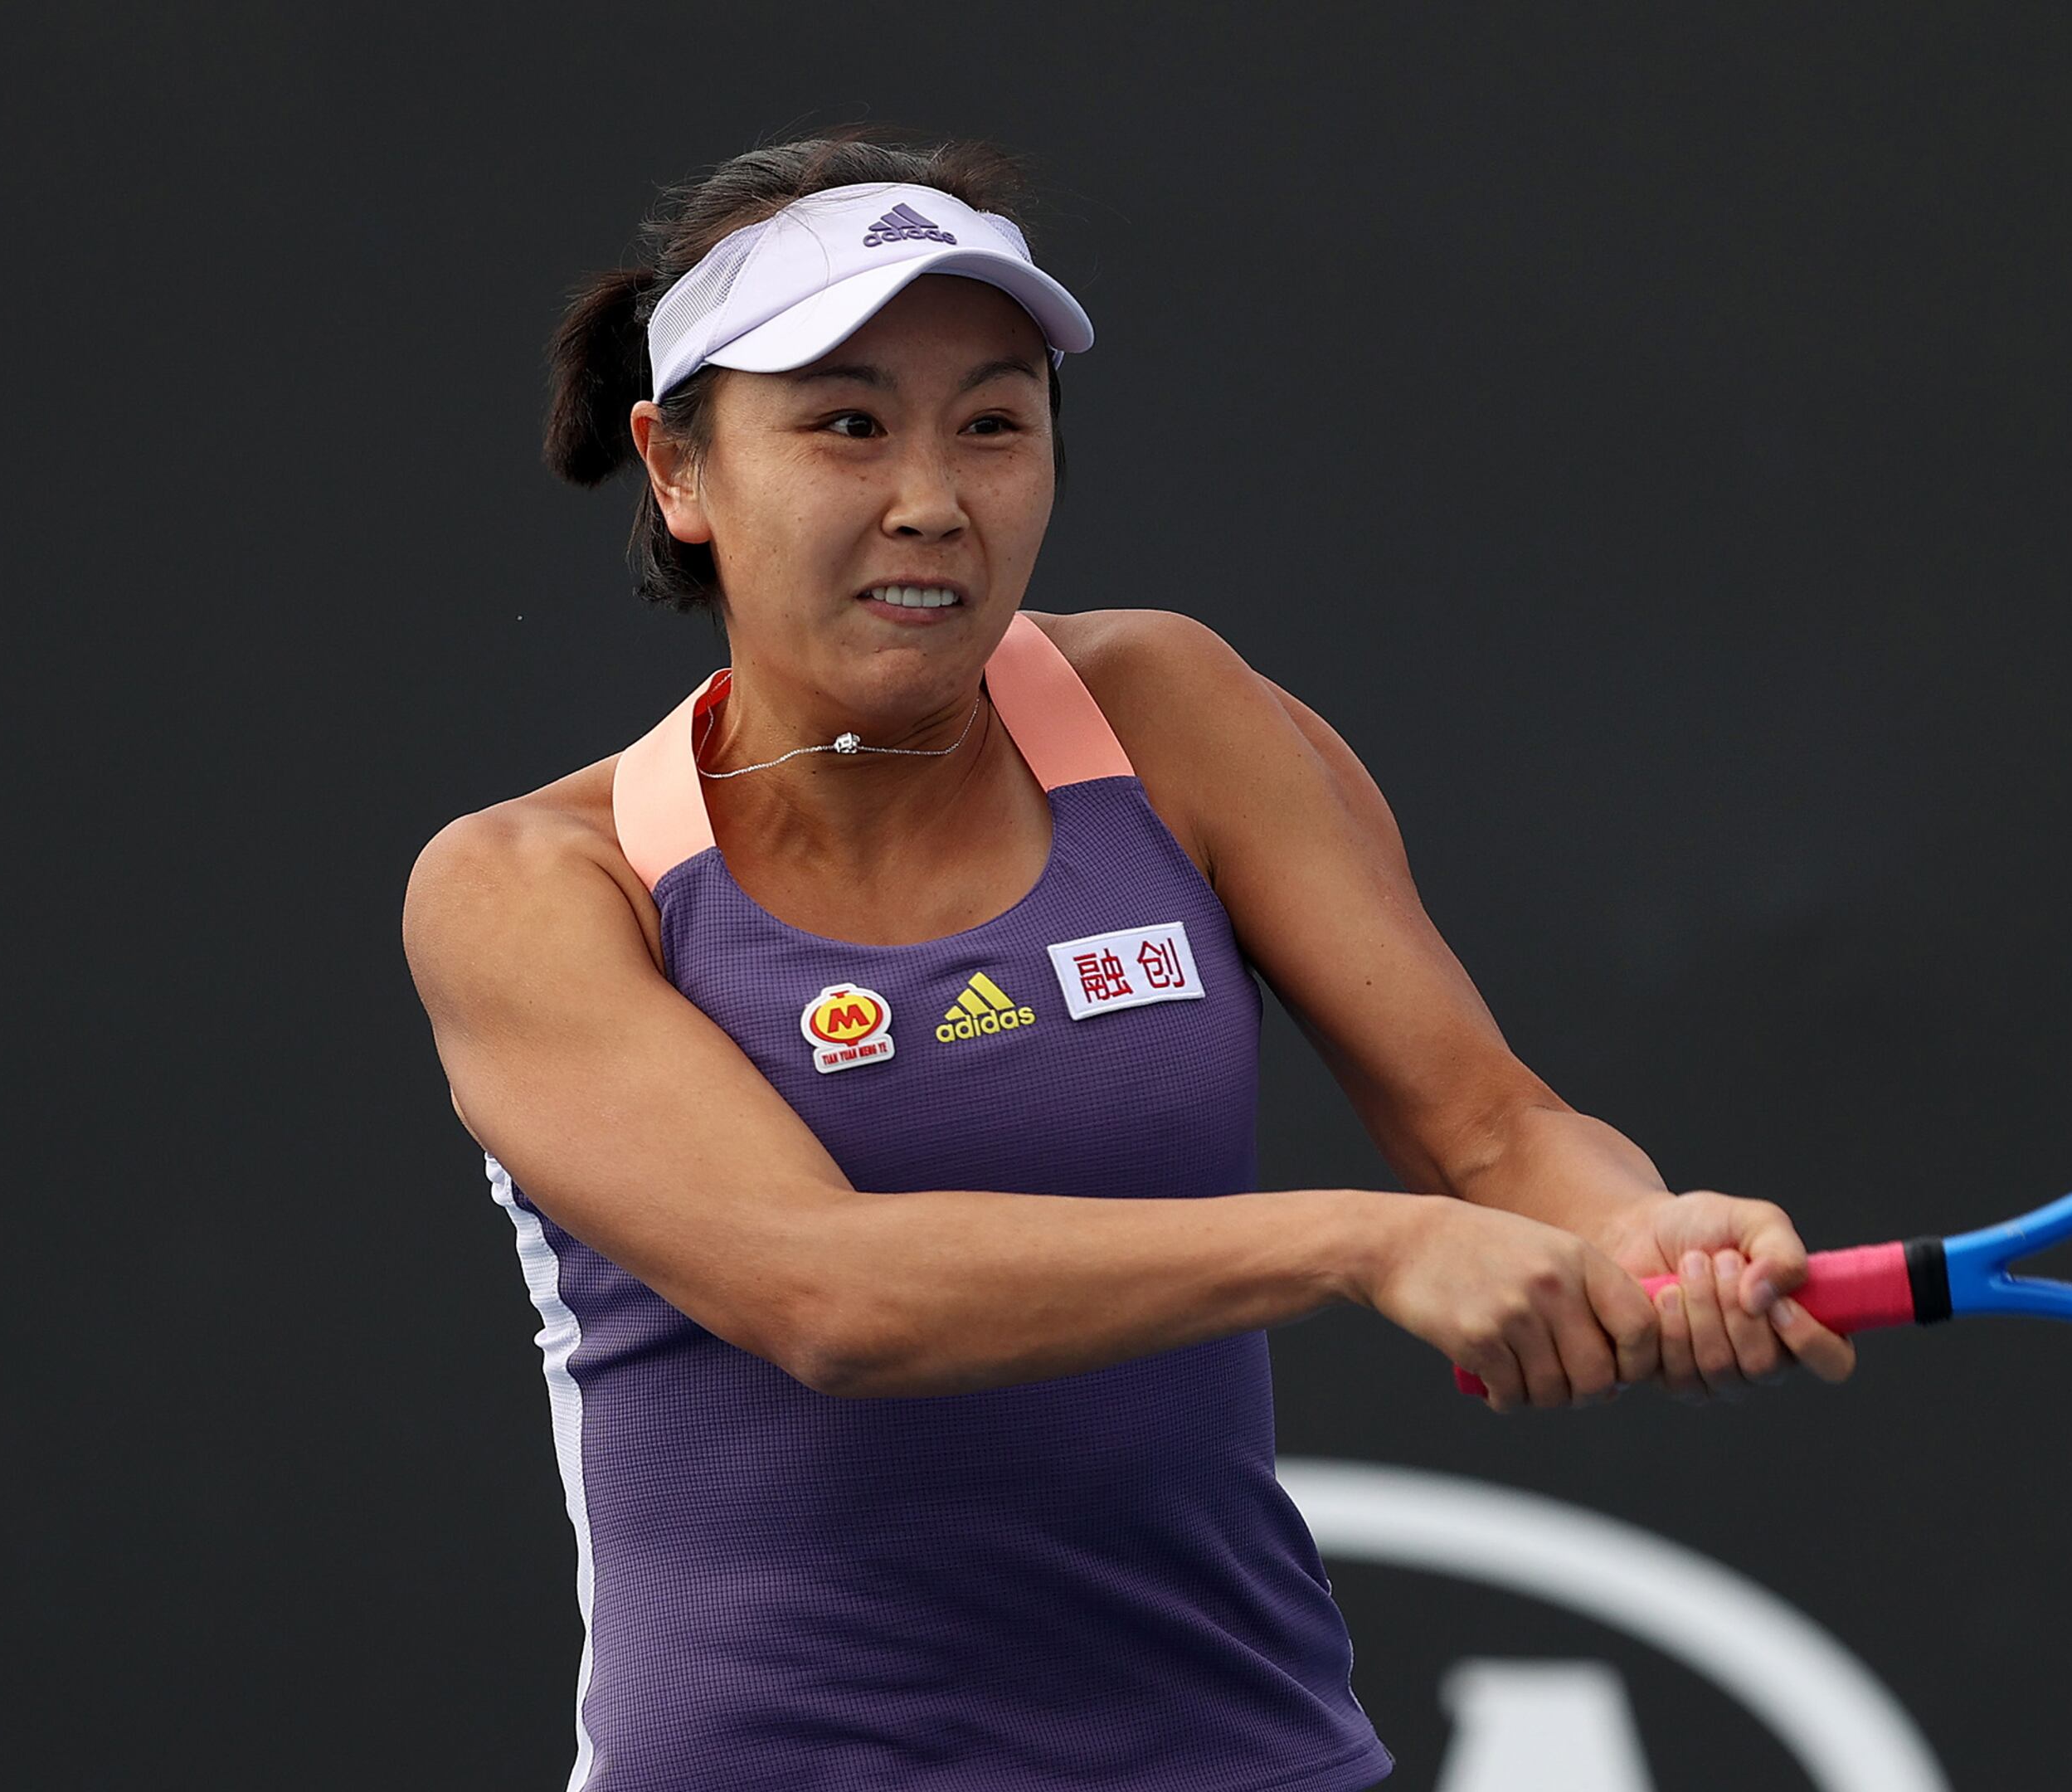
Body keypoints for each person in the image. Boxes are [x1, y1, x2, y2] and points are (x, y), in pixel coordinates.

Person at [401, 130, 1854, 1791]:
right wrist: (1357, 1246)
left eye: (996, 423)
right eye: (848, 422)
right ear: (679, 469)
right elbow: (830, 1293)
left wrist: (1634, 1226)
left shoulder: (1167, 714)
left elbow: (1490, 1129)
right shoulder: (532, 886)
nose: (933, 498)